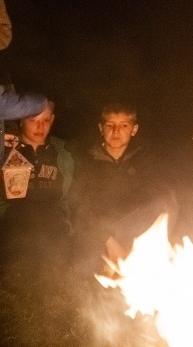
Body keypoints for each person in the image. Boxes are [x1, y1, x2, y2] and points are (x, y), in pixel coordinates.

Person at [70, 102, 179, 275]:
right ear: (101, 128)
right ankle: (109, 263)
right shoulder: (87, 161)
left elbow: (158, 199)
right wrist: (110, 242)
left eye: (123, 126)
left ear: (134, 130)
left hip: (132, 228)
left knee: (166, 202)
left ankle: (145, 261)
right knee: (84, 266)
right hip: (99, 232)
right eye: (110, 125)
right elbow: (81, 207)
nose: (116, 131)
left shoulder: (145, 160)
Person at [0, 100, 74, 271]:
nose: (40, 127)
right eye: (33, 120)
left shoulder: (63, 151)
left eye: (46, 120)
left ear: (53, 119)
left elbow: (71, 193)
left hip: (53, 223)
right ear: (20, 120)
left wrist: (68, 222)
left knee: (56, 271)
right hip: (14, 224)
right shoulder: (5, 150)